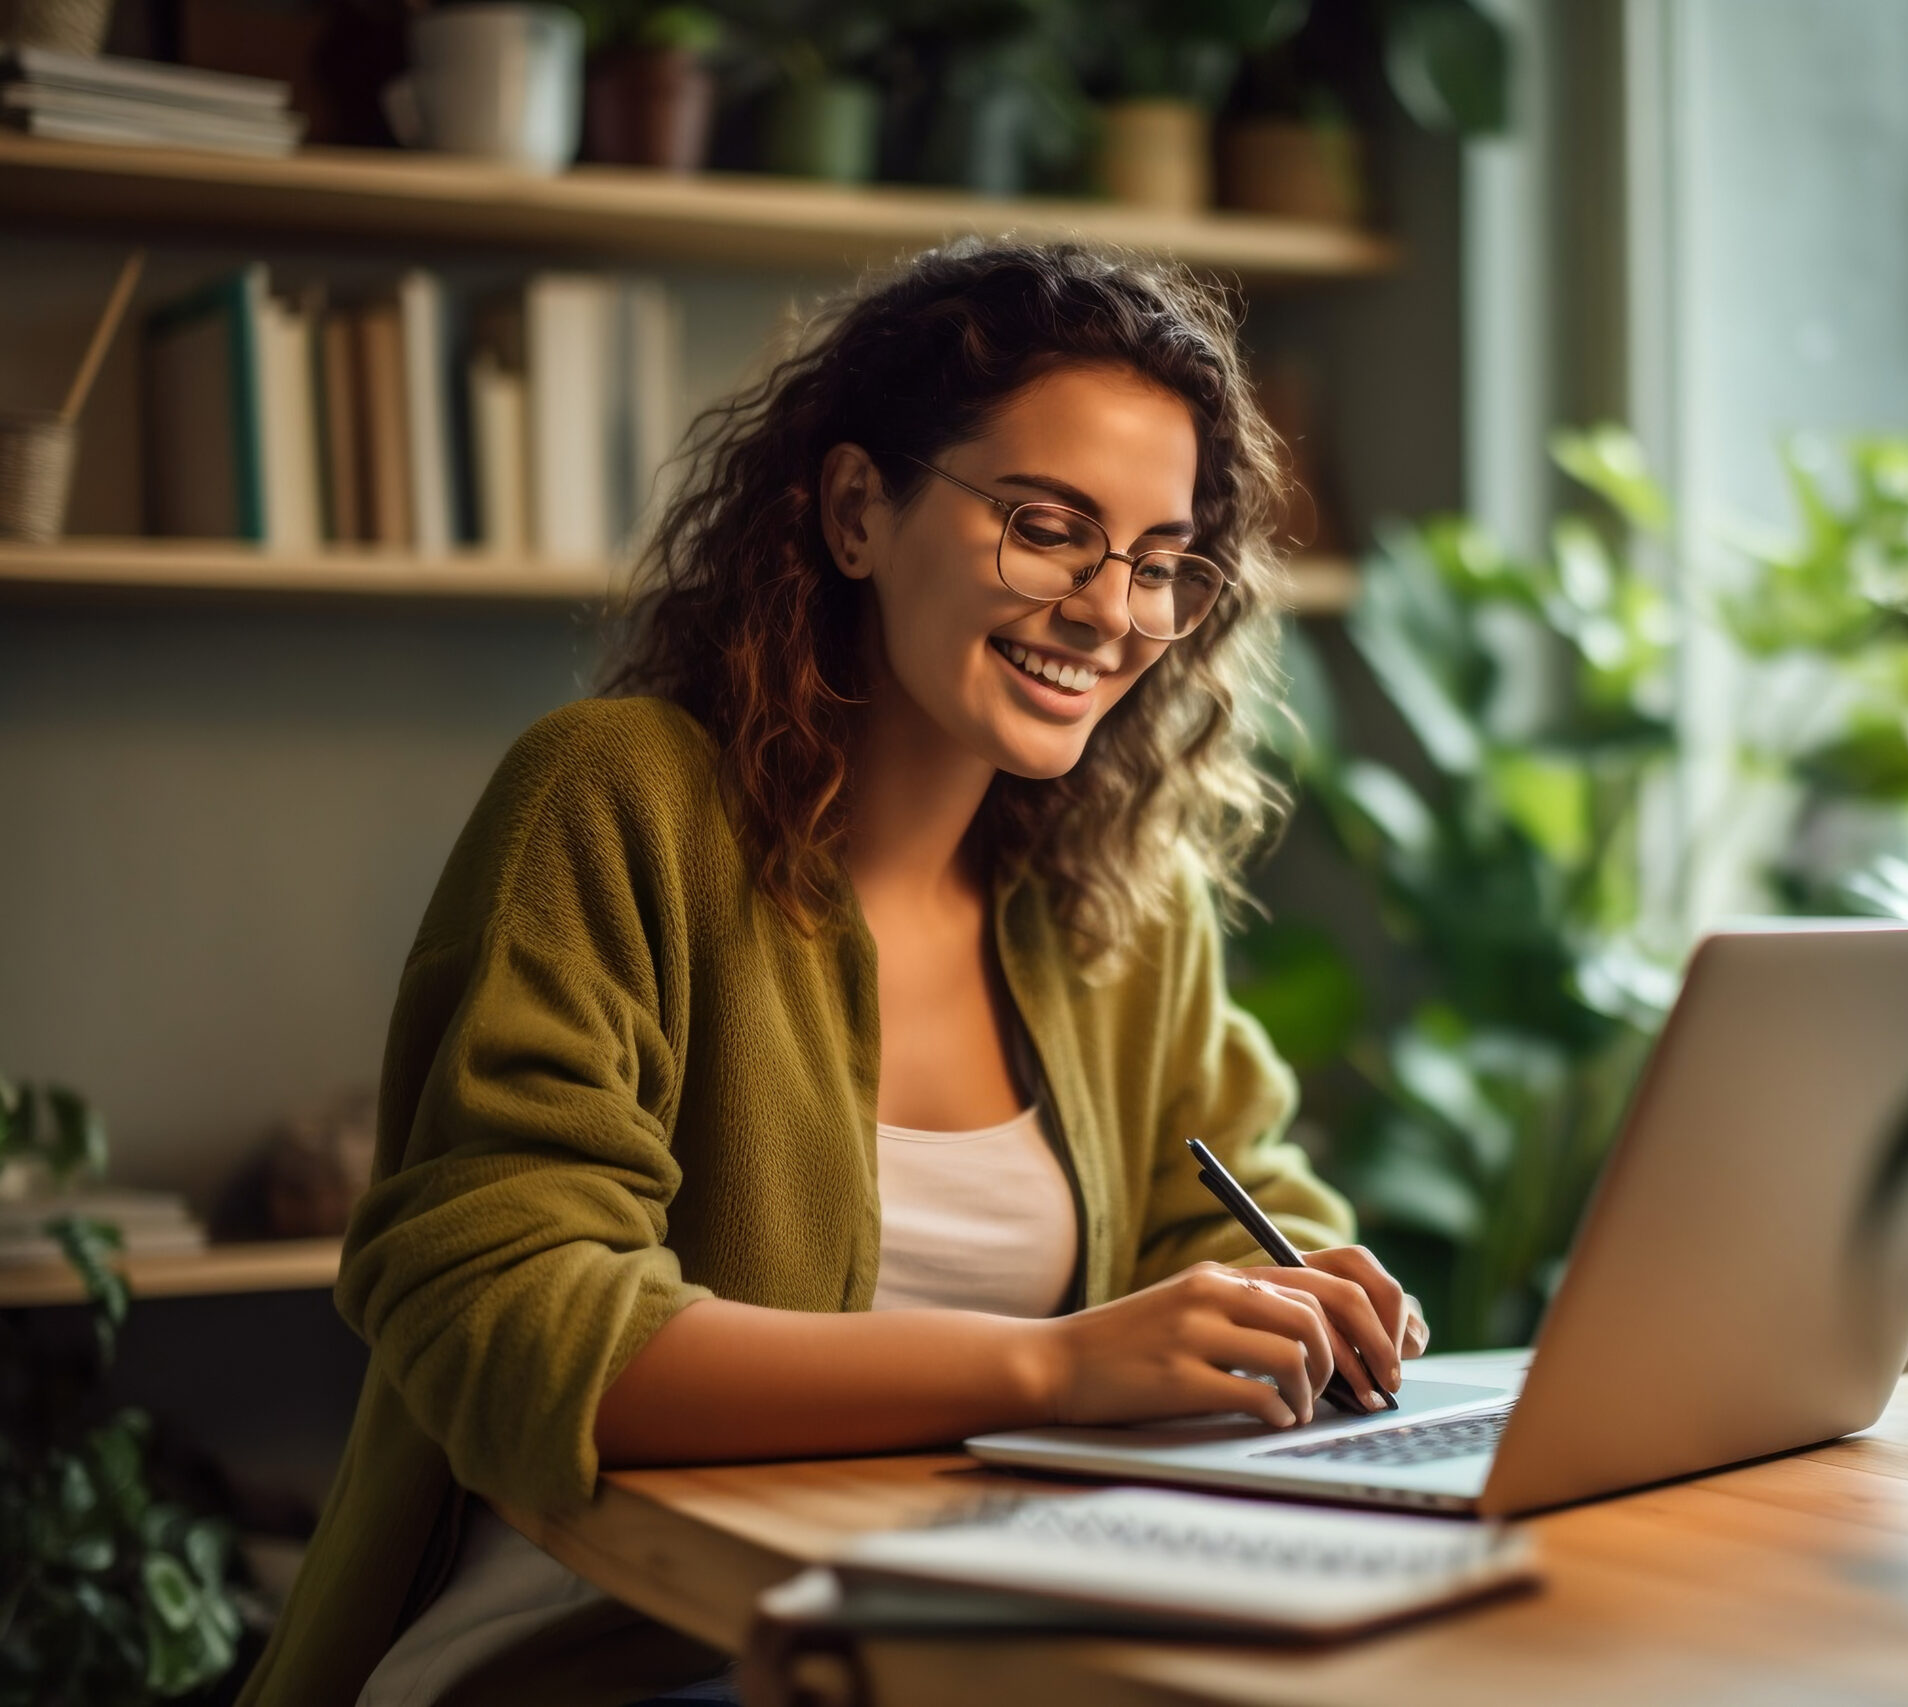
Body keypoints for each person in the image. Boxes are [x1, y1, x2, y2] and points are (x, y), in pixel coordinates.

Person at [238, 242, 1427, 1707]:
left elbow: (1237, 1198)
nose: (1111, 609)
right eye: (1049, 527)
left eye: (1163, 561)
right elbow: (514, 1316)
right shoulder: (613, 801)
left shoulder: (1123, 900)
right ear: (860, 510)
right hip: (608, 1646)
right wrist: (1052, 1368)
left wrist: (1298, 1297)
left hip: (974, 1627)